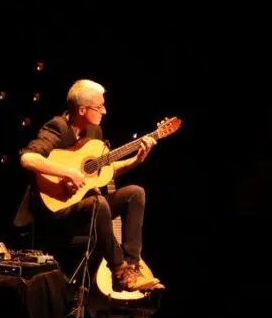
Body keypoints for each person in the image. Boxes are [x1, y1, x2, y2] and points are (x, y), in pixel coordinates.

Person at [14, 79, 162, 292]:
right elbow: (28, 159)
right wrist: (68, 172)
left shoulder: (94, 133)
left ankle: (132, 267)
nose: (105, 111)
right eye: (99, 107)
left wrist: (136, 160)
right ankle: (119, 272)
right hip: (56, 212)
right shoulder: (57, 127)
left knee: (135, 193)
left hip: (87, 210)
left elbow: (103, 172)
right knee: (98, 202)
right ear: (82, 110)